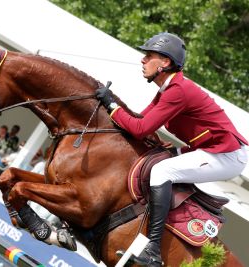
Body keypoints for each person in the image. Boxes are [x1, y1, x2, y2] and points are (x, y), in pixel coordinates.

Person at [96, 32, 248, 266]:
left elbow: (139, 128)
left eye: (149, 56)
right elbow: (141, 120)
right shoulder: (168, 89)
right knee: (157, 160)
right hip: (208, 150)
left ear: (165, 62)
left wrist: (112, 105)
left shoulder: (178, 90)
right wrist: (112, 106)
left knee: (162, 171)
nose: (142, 60)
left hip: (227, 156)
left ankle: (154, 249)